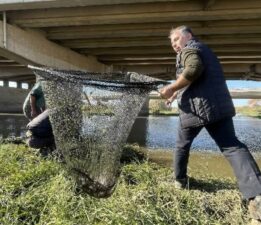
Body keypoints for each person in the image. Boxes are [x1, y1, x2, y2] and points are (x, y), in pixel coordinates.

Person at [159, 25, 261, 221]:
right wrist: (175, 95)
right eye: (171, 43)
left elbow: (194, 69)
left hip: (197, 110)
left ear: (188, 36)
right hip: (218, 108)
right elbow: (198, 79)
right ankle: (257, 193)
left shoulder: (190, 49)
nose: (174, 45)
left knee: (181, 145)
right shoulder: (204, 50)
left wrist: (171, 88)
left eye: (176, 39)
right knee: (232, 146)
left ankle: (179, 181)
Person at [23, 81, 55, 151]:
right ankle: (31, 139)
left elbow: (43, 101)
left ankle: (37, 140)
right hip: (31, 106)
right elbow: (32, 95)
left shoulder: (53, 88)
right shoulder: (43, 83)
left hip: (38, 106)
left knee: (42, 126)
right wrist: (33, 110)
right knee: (36, 126)